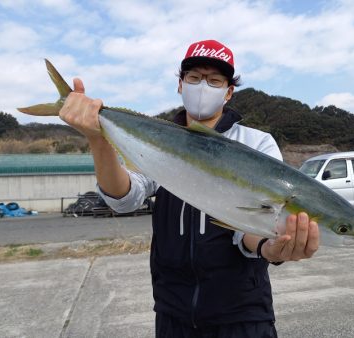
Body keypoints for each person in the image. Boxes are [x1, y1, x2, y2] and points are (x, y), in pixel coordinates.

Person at [59, 39, 319, 338]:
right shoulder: (159, 139)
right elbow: (124, 199)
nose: (203, 86)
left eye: (214, 80)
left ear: (229, 91)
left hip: (242, 313)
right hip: (173, 312)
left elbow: (249, 228)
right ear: (180, 85)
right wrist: (97, 139)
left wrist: (270, 247)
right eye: (194, 78)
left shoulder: (256, 144)